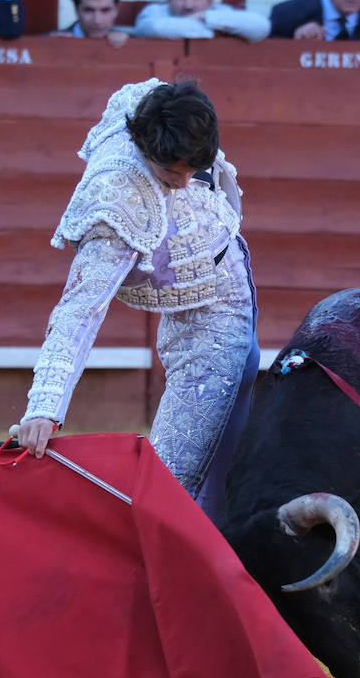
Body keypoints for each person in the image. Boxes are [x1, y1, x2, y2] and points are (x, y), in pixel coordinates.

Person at [18, 79, 259, 521]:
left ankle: (225, 546)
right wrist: (45, 407)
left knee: (215, 475)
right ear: (145, 149)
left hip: (223, 299)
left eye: (194, 171)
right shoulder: (118, 204)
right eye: (171, 175)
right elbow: (80, 309)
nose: (184, 184)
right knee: (167, 493)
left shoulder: (159, 107)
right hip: (207, 322)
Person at [133, 0, 270, 42]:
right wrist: (212, 29)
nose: (188, 5)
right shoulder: (154, 11)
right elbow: (155, 28)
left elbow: (262, 27)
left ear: (211, 0)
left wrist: (206, 17)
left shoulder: (219, 12)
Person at [48, 0, 131, 47]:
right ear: (76, 10)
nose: (97, 21)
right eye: (88, 10)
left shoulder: (132, 41)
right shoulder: (47, 41)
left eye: (105, 10)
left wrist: (130, 45)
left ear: (116, 10)